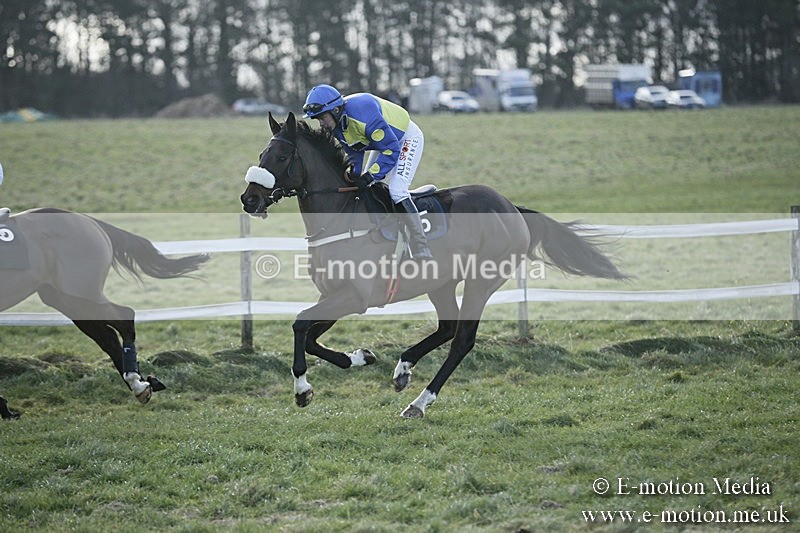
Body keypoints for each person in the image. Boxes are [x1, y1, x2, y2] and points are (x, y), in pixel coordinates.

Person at [302, 84, 433, 260]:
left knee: (397, 190)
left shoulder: (363, 113)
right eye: (317, 119)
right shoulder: (336, 125)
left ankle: (421, 245)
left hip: (404, 139)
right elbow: (355, 151)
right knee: (367, 186)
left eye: (322, 117)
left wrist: (370, 175)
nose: (321, 123)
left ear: (336, 110)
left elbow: (391, 150)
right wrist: (355, 174)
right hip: (380, 143)